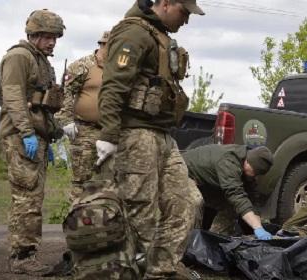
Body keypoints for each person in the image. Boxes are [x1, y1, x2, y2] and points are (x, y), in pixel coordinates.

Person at [96, 0, 205, 278]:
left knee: (187, 200)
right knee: (140, 211)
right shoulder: (133, 33)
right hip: (136, 133)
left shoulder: (161, 38)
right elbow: (113, 86)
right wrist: (108, 135)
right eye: (184, 12)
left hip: (163, 135)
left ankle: (161, 269)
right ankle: (130, 271)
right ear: (166, 4)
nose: (187, 20)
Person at [0, 9, 65, 276]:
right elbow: (12, 97)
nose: (51, 42)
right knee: (26, 198)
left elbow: (42, 104)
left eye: (54, 37)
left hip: (36, 136)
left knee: (32, 197)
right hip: (21, 136)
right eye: (46, 36)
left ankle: (25, 253)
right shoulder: (19, 57)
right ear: (33, 34)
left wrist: (50, 134)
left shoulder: (41, 61)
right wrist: (26, 133)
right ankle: (22, 257)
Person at [55, 31, 111, 201]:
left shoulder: (119, 68)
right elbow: (65, 92)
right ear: (102, 45)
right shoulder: (82, 66)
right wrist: (65, 120)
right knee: (82, 180)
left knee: (109, 179)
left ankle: (103, 221)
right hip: (85, 131)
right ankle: (76, 223)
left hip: (110, 133)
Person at [183, 144, 274, 239]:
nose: (254, 176)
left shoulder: (247, 163)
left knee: (231, 207)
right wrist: (257, 227)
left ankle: (216, 240)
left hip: (206, 181)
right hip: (184, 173)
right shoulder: (229, 162)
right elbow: (236, 195)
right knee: (195, 200)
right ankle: (190, 241)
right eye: (254, 171)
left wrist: (257, 223)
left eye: (257, 174)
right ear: (248, 162)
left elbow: (251, 197)